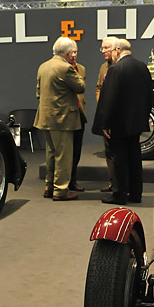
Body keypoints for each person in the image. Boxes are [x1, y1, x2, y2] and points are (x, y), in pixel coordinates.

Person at [92, 38, 153, 206]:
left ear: (117, 50)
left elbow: (110, 100)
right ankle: (135, 193)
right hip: (136, 124)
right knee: (134, 158)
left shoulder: (115, 69)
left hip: (119, 124)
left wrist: (106, 124)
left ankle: (119, 194)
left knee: (119, 159)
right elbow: (149, 96)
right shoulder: (142, 67)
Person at [35, 37, 85, 201]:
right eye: (73, 52)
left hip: (46, 118)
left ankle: (49, 186)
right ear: (69, 53)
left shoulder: (43, 66)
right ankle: (61, 190)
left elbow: (38, 93)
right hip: (63, 119)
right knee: (64, 156)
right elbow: (80, 86)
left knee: (51, 154)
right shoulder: (65, 68)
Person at [95, 36, 117, 192]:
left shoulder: (123, 66)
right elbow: (98, 88)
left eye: (106, 48)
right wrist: (102, 105)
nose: (103, 51)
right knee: (109, 152)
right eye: (102, 48)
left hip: (119, 118)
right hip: (106, 117)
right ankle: (112, 182)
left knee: (120, 153)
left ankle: (122, 183)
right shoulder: (103, 67)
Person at [68, 56, 87, 193]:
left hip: (79, 112)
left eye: (75, 52)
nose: (73, 55)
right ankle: (62, 181)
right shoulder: (61, 68)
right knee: (65, 152)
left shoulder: (81, 68)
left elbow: (82, 89)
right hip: (66, 115)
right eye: (71, 52)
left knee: (76, 150)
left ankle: (72, 180)